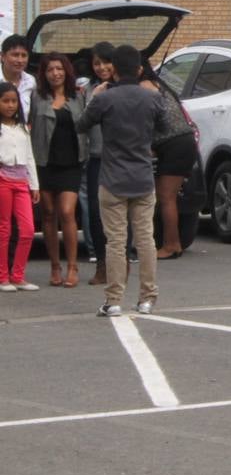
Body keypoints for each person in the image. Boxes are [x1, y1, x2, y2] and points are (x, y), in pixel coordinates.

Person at [77, 44, 170, 317]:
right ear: (140, 69)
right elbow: (164, 129)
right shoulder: (151, 97)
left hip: (112, 178)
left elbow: (82, 124)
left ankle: (114, 299)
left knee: (115, 242)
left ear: (114, 70)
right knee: (145, 240)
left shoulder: (105, 98)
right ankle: (147, 298)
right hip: (142, 177)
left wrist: (95, 96)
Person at [31, 52, 85, 288]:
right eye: (50, 69)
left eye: (59, 69)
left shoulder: (77, 97)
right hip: (44, 163)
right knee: (49, 214)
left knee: (66, 212)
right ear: (44, 73)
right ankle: (55, 266)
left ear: (67, 71)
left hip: (71, 163)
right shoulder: (37, 97)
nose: (55, 73)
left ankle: (72, 266)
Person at [142, 61, 197, 260]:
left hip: (175, 144)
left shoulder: (144, 87)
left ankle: (171, 245)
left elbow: (153, 120)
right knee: (166, 197)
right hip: (181, 142)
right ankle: (171, 242)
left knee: (166, 198)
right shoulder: (158, 83)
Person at [79, 42, 116, 285]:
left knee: (120, 213)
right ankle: (101, 263)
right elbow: (83, 122)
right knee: (95, 213)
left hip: (120, 160)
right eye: (97, 63)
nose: (102, 67)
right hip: (95, 158)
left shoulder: (125, 87)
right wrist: (94, 98)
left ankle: (120, 262)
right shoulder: (89, 89)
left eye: (106, 62)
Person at [0, 81, 39, 292]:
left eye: (13, 101)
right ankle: (3, 277)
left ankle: (18, 275)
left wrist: (35, 185)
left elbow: (30, 157)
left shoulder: (23, 128)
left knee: (28, 230)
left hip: (22, 181)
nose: (10, 105)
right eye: (5, 101)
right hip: (3, 180)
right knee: (4, 230)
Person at [0, 34, 36, 120]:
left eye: (24, 55)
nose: (20, 60)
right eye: (15, 55)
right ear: (2, 56)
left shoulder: (30, 81)